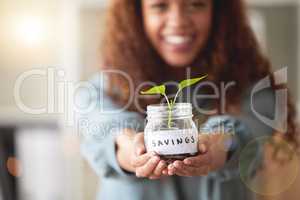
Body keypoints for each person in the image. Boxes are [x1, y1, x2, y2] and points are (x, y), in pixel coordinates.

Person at [78, 0, 298, 199]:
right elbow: (105, 128)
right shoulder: (104, 88)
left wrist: (218, 144)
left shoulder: (254, 88)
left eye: (196, 4)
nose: (178, 21)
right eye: (160, 6)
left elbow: (247, 135)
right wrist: (130, 150)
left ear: (219, 11)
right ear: (137, 14)